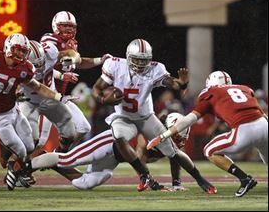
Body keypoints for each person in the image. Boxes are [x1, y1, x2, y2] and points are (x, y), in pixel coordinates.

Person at [91, 38, 217, 193]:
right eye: (136, 59)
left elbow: (172, 83)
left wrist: (181, 84)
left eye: (144, 61)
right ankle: (145, 176)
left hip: (145, 117)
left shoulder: (156, 68)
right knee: (119, 138)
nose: (139, 64)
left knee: (172, 151)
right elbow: (96, 88)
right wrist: (103, 99)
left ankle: (200, 179)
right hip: (123, 117)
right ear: (128, 57)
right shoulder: (115, 65)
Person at [0, 33, 76, 190]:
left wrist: (58, 96)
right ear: (8, 48)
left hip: (14, 112)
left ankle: (14, 168)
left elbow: (37, 87)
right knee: (19, 149)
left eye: (23, 51)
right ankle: (15, 172)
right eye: (18, 50)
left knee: (29, 146)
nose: (20, 54)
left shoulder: (25, 68)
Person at [148, 71, 268, 197]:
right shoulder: (244, 88)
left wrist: (163, 135)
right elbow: (262, 113)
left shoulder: (210, 92)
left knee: (209, 150)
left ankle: (244, 179)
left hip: (244, 129)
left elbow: (189, 119)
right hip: (263, 125)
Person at [25, 113, 190, 191]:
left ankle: (49, 161)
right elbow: (138, 158)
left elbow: (175, 158)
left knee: (86, 184)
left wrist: (177, 184)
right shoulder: (149, 134)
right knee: (69, 159)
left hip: (115, 158)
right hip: (109, 142)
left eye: (179, 137)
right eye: (175, 135)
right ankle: (22, 168)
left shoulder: (168, 143)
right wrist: (153, 184)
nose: (176, 141)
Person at [40, 11, 112, 146]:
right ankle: (18, 164)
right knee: (40, 140)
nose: (68, 29)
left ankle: (60, 153)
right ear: (55, 26)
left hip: (61, 98)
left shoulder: (73, 44)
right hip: (46, 97)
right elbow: (44, 65)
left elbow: (79, 62)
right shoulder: (49, 40)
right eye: (64, 26)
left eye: (71, 26)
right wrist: (64, 67)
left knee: (84, 128)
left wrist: (99, 60)